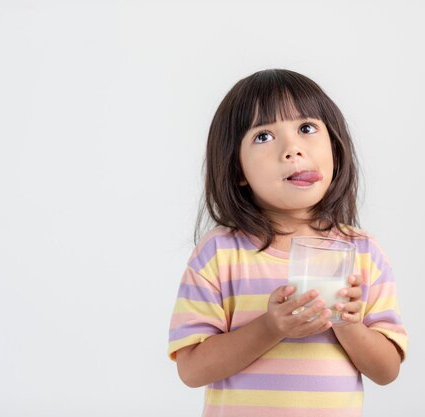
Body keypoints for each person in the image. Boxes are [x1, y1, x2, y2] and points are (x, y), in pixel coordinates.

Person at [168, 69, 408, 417]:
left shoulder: (364, 253)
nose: (292, 149)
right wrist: (270, 327)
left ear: (336, 149)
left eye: (307, 128)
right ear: (237, 170)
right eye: (263, 136)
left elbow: (386, 371)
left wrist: (349, 324)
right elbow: (191, 370)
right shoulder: (219, 254)